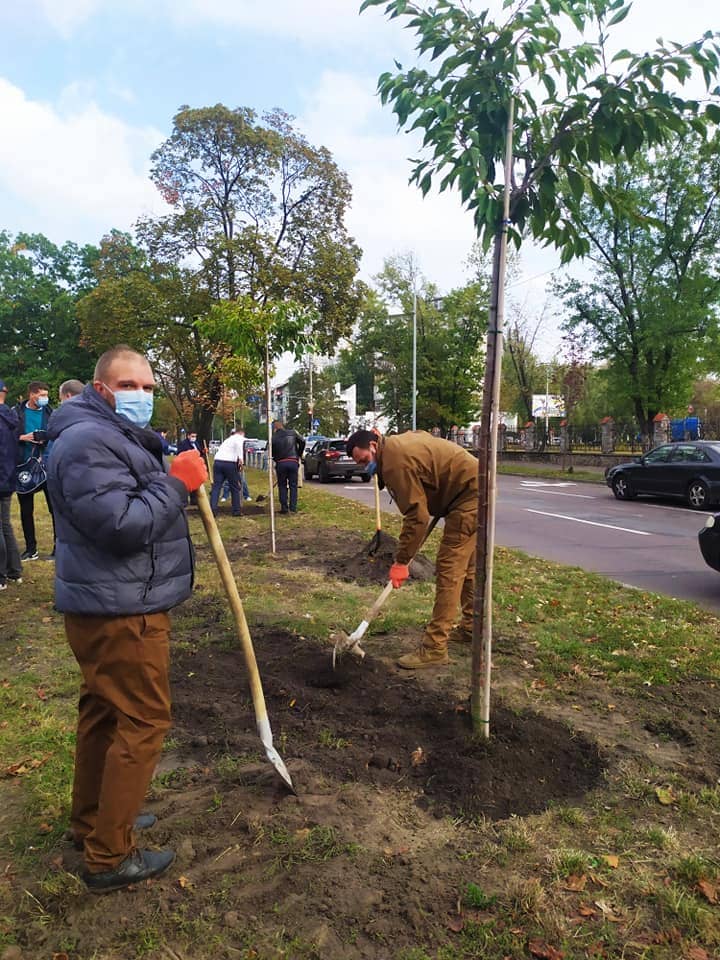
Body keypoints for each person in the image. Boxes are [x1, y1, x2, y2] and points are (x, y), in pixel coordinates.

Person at [46, 345, 208, 893]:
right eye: (131, 385)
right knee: (143, 721)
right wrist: (177, 485)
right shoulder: (89, 440)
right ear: (102, 388)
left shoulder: (102, 435)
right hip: (122, 610)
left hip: (109, 603)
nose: (143, 395)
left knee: (102, 713)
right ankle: (110, 855)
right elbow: (121, 525)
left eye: (149, 387)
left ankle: (93, 819)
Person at [346, 429, 478, 670]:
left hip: (469, 495)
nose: (364, 466)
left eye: (364, 460)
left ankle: (435, 648)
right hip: (470, 487)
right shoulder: (396, 445)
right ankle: (471, 628)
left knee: (450, 568)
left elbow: (417, 517)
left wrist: (401, 561)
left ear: (374, 445)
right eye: (359, 464)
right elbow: (424, 437)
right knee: (466, 568)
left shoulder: (395, 463)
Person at [14, 380, 55, 561]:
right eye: (41, 395)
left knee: (54, 508)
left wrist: (45, 437)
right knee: (26, 509)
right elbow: (7, 435)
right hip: (24, 466)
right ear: (32, 394)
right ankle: (31, 549)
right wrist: (23, 437)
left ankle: (58, 547)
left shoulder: (50, 413)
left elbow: (57, 433)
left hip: (47, 465)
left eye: (46, 395)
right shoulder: (16, 413)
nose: (44, 398)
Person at [0, 380, 22, 590]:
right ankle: (15, 570)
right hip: (8, 477)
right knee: (5, 524)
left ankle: (1, 576)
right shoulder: (12, 417)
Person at [209, 430, 246, 516]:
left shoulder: (227, 440)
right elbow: (239, 448)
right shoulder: (239, 438)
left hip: (218, 462)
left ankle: (212, 509)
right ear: (241, 433)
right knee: (234, 487)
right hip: (229, 463)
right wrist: (241, 460)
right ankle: (236, 510)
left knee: (217, 486)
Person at [271, 420, 305, 514]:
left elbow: (270, 451)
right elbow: (302, 441)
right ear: (283, 426)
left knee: (282, 485)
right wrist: (299, 454)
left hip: (281, 463)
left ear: (274, 428)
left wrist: (276, 459)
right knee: (293, 486)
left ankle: (284, 508)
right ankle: (293, 508)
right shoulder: (292, 433)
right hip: (293, 461)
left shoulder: (273, 438)